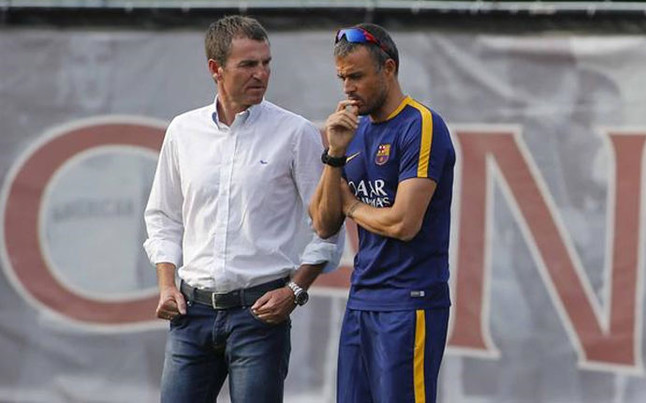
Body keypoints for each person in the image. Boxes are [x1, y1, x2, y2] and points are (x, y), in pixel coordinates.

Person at [143, 15, 342, 403]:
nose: (261, 74)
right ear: (215, 69)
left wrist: (295, 290)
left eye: (266, 63)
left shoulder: (295, 132)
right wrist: (166, 284)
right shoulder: (183, 131)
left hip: (260, 315)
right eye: (248, 64)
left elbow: (328, 226)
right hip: (190, 313)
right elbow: (163, 216)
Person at [309, 23, 455, 403]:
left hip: (410, 300)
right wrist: (334, 154)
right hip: (361, 300)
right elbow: (322, 223)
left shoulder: (421, 124)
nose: (348, 88)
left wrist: (353, 206)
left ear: (388, 68)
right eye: (342, 78)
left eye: (357, 76)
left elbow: (404, 223)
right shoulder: (352, 132)